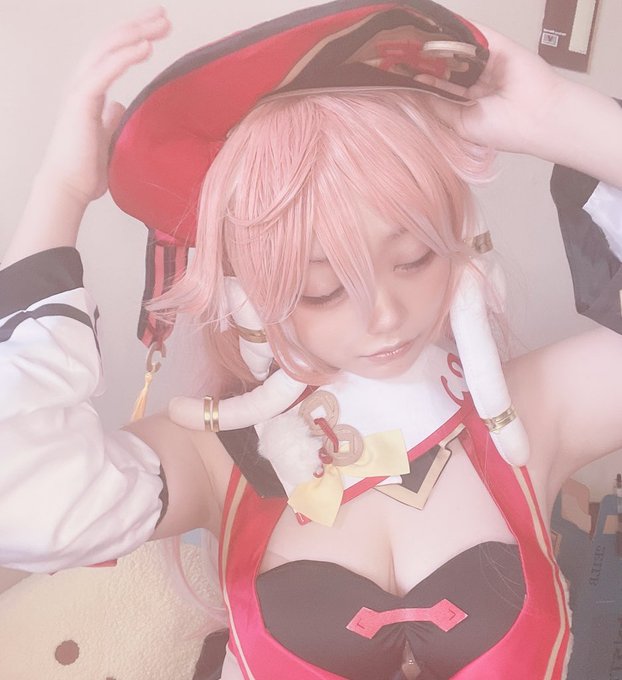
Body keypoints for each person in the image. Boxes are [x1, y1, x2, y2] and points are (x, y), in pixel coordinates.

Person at [1, 2, 621, 678]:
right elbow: (22, 495)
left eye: (414, 259)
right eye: (322, 290)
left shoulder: (535, 409)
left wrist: (556, 115)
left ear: (463, 247)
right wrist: (60, 191)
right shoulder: (218, 454)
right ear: (250, 299)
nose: (385, 316)